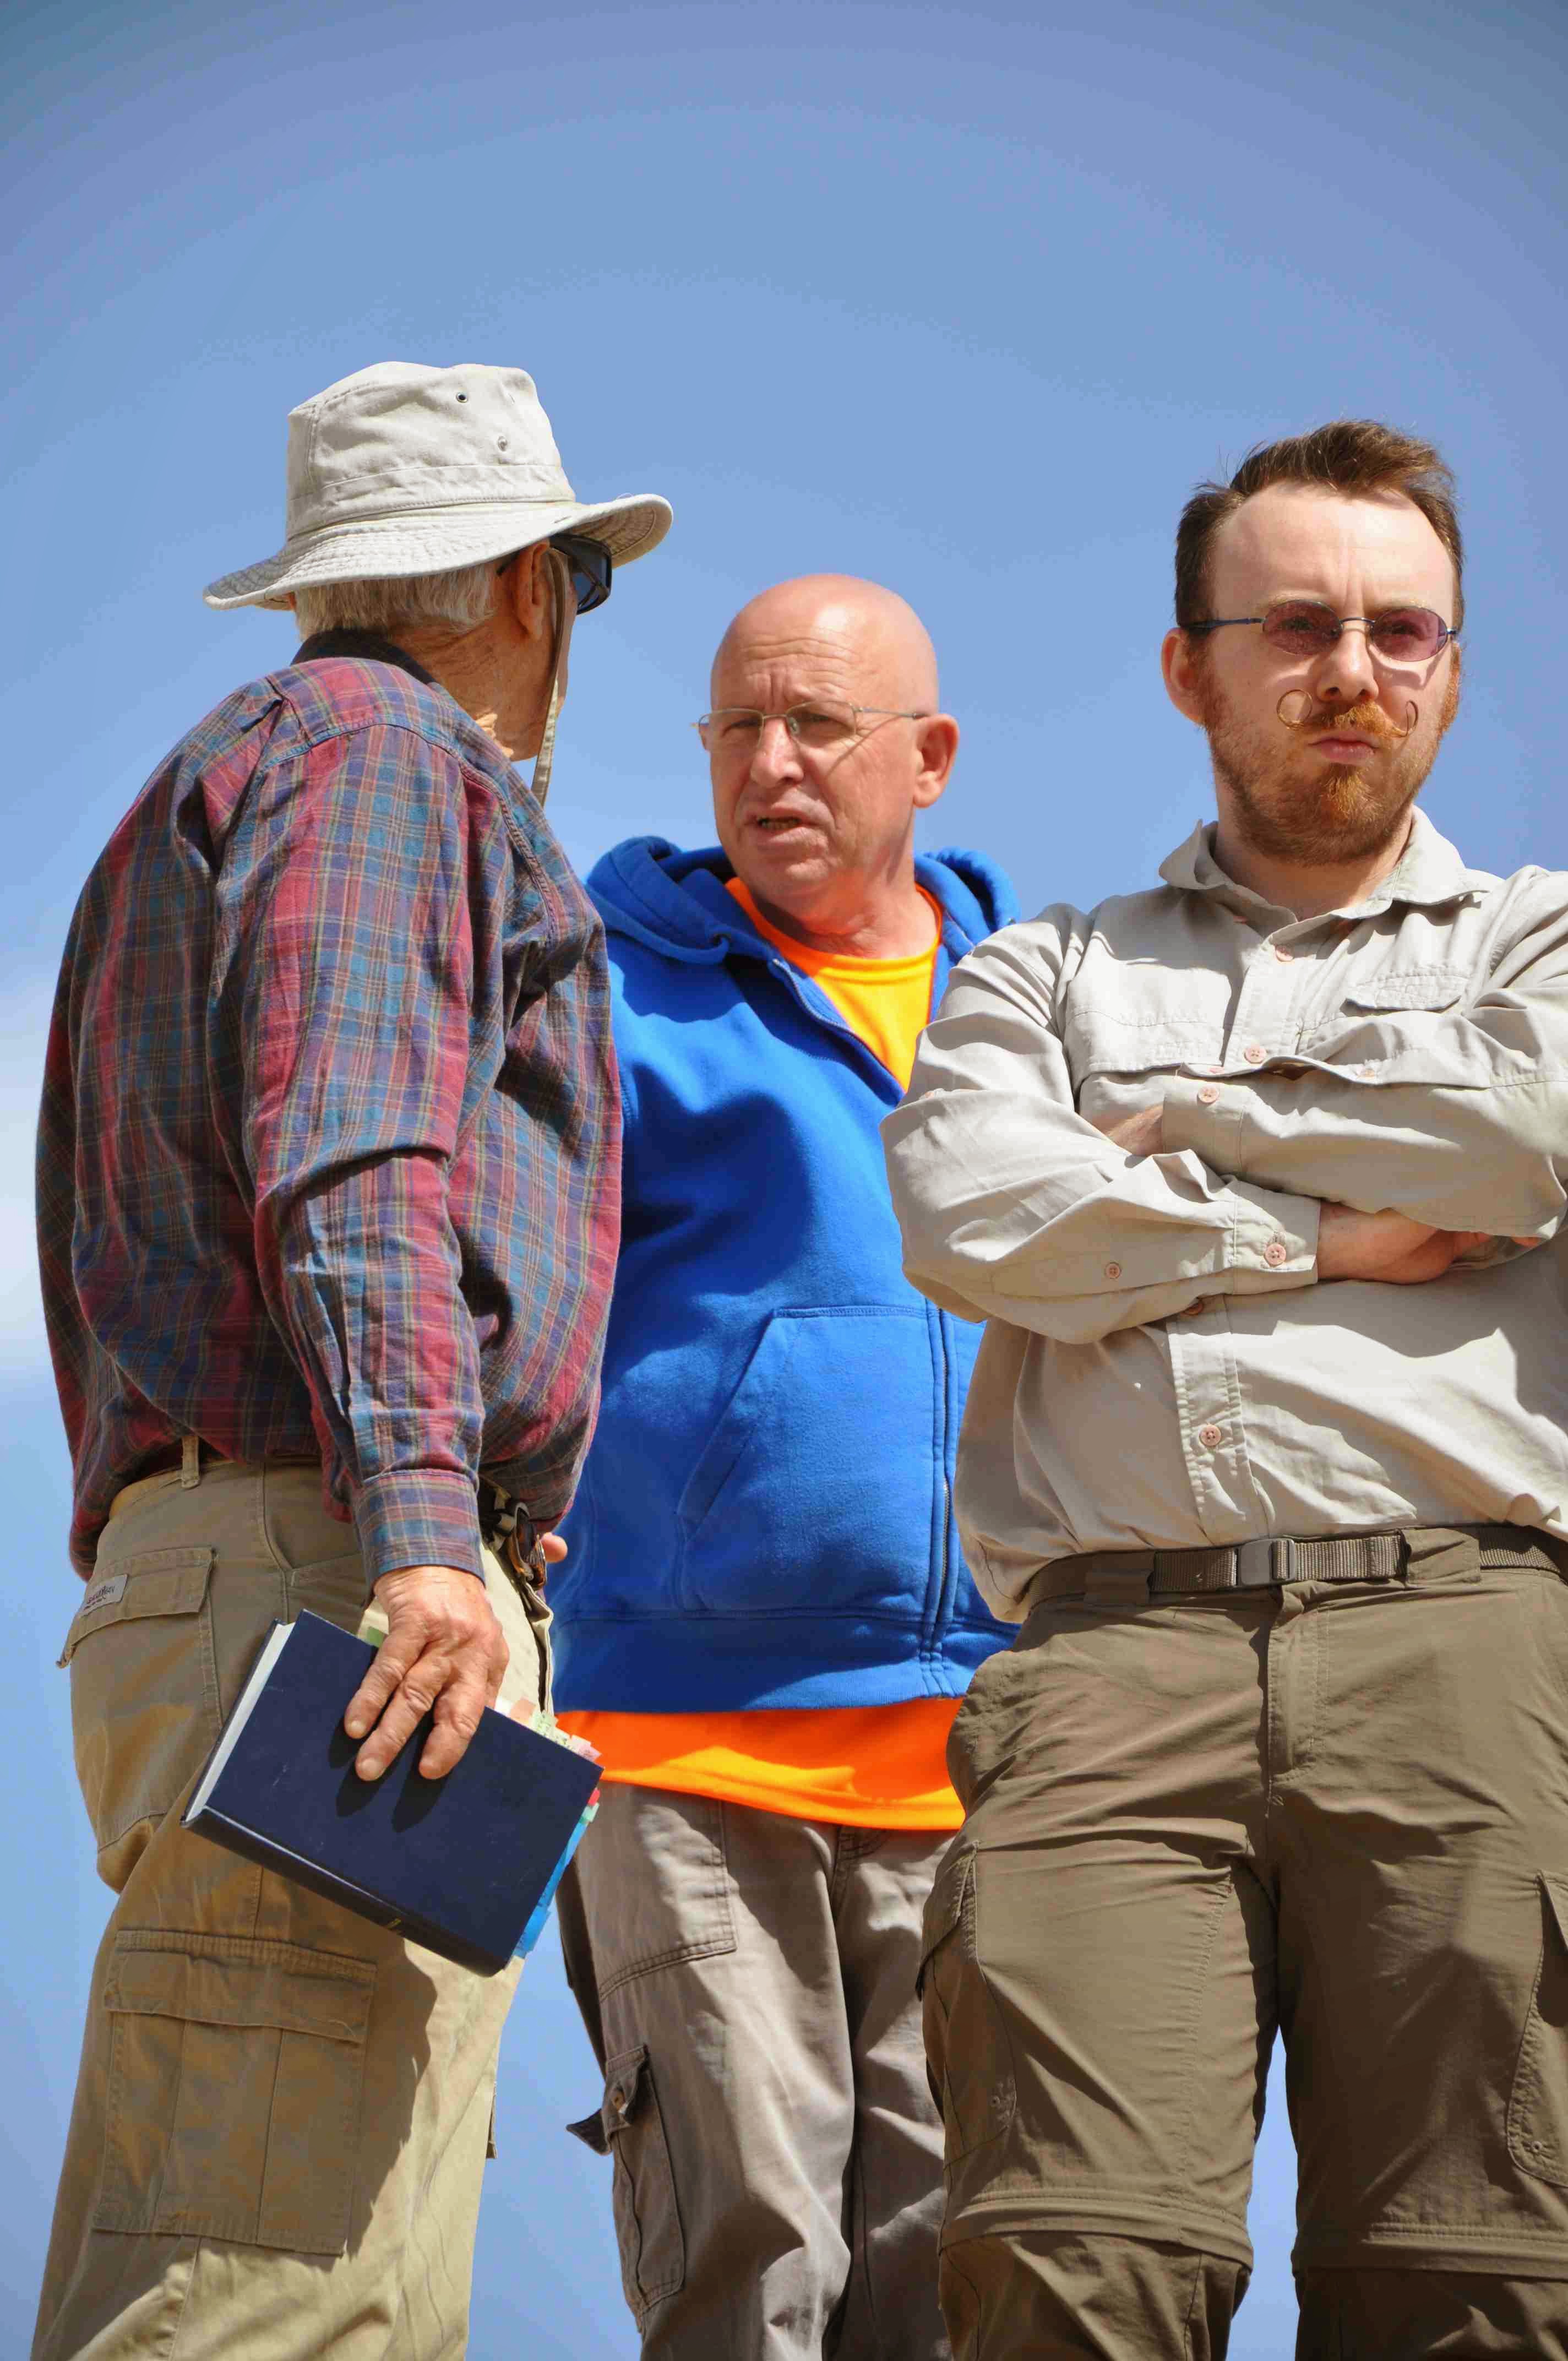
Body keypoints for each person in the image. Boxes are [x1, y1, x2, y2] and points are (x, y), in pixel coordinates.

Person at [883, 421, 1568, 2359]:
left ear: (1452, 671)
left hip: (1474, 1653)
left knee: (1480, 2280)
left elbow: (1523, 1137)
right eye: (1297, 627)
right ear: (1191, 669)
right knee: (1066, 2267)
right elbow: (974, 1211)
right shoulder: (1038, 971)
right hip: (1113, 1669)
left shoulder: (1541, 940)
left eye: (1401, 631)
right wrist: (1324, 1234)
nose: (1354, 670)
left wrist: (1191, 1118)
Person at [32, 360, 669, 2361]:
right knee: (268, 2300)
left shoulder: (246, 770)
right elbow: (358, 1156)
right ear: (527, 586)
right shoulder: (386, 755)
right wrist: (419, 1537)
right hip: (342, 1575)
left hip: (270, 1568)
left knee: (310, 2278)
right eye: (575, 581)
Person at [549, 575, 1017, 2357]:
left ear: (930, 756)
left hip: (987, 1761)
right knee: (748, 2281)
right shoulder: (604, 999)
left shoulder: (1041, 1009)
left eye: (818, 724)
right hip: (687, 1752)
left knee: (959, 2292)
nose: (771, 764)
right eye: (738, 727)